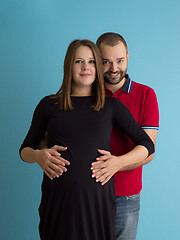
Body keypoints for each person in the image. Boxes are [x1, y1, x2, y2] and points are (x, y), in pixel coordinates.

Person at [19, 39, 155, 240]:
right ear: (68, 65)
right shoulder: (48, 105)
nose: (85, 67)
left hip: (97, 206)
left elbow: (147, 145)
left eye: (91, 61)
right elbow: (25, 150)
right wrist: (39, 156)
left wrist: (118, 162)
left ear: (97, 67)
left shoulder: (111, 106)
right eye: (78, 61)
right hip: (58, 204)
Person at [91, 32, 159, 240]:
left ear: (127, 57)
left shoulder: (146, 94)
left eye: (120, 61)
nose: (114, 69)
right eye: (106, 62)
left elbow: (148, 151)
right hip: (87, 193)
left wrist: (116, 164)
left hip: (126, 197)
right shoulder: (84, 93)